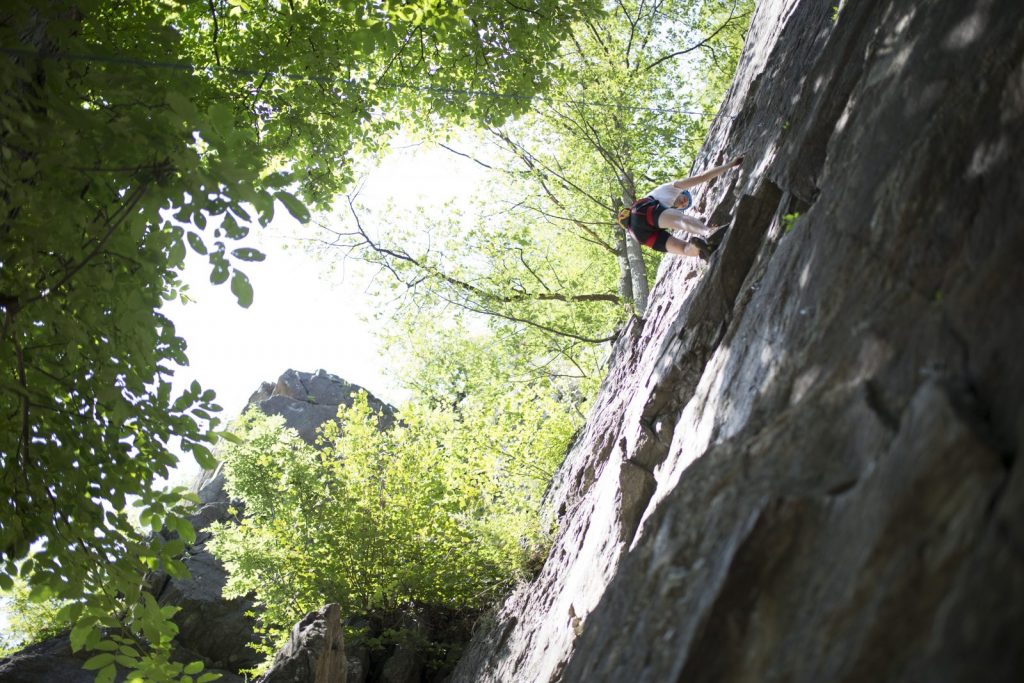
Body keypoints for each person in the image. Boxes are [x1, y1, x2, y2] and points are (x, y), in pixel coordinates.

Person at [619, 155, 744, 259]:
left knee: (684, 249)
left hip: (638, 235)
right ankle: (709, 232)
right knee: (680, 220)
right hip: (640, 212)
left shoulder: (665, 210)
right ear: (681, 191)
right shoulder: (670, 188)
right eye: (686, 198)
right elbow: (702, 177)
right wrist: (730, 165)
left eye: (685, 205)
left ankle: (700, 247)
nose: (684, 202)